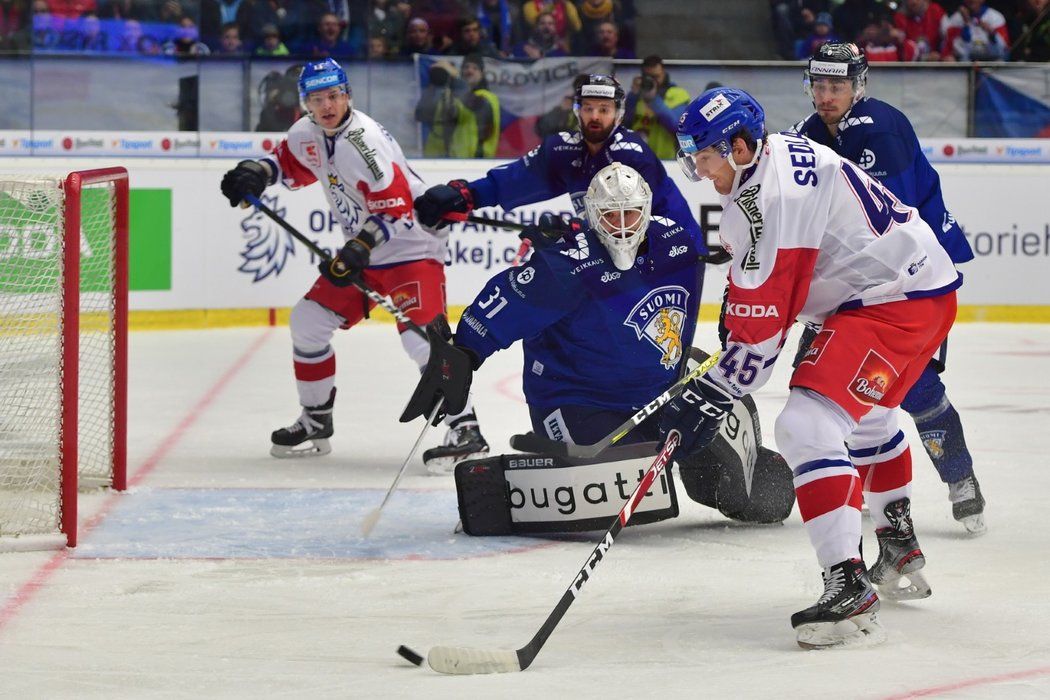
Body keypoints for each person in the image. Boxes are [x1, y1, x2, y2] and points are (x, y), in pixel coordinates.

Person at [672, 86, 962, 648]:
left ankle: (847, 583)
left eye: (703, 156)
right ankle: (898, 541)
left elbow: (757, 350)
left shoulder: (772, 203)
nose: (697, 169)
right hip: (909, 289)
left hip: (889, 301)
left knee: (806, 425)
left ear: (736, 147)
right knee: (866, 417)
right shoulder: (771, 158)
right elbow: (758, 297)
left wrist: (713, 387)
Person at [404, 163, 795, 526]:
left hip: (660, 393)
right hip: (577, 402)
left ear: (646, 211)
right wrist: (463, 352)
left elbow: (743, 267)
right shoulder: (566, 265)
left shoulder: (677, 244)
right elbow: (506, 300)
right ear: (592, 215)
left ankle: (717, 456)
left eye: (631, 214)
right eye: (611, 216)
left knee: (737, 486)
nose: (623, 227)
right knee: (629, 483)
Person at [220, 58, 489, 471]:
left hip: (409, 247)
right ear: (305, 102)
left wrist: (359, 248)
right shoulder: (307, 132)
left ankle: (465, 429)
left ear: (347, 95)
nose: (327, 105)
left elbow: (398, 213)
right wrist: (255, 172)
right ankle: (316, 420)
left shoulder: (364, 143)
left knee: (422, 340)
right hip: (363, 250)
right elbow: (285, 162)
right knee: (307, 322)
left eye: (334, 96)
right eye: (317, 98)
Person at [789, 42, 984, 534]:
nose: (827, 94)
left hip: (916, 276)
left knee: (915, 387)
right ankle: (847, 485)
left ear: (859, 86)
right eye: (820, 84)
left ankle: (961, 478)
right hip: (859, 282)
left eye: (838, 85)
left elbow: (886, 228)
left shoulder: (882, 129)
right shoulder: (810, 133)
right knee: (823, 387)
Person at [413, 73, 707, 261]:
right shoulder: (564, 150)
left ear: (618, 115)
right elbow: (517, 180)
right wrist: (467, 195)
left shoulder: (629, 156)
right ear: (577, 111)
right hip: (620, 255)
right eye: (588, 108)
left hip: (670, 252)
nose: (595, 116)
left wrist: (578, 232)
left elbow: (633, 228)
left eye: (603, 110)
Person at [414, 54, 499, 158]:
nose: (469, 71)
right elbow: (421, 115)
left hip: (475, 161)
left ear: (482, 74)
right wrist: (436, 82)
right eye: (466, 67)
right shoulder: (450, 96)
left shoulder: (487, 98)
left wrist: (456, 77)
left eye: (475, 68)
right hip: (441, 161)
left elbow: (476, 106)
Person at [623, 55, 691, 160]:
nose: (653, 81)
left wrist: (653, 99)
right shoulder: (636, 95)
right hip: (636, 157)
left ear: (664, 73)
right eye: (648, 77)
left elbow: (677, 126)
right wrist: (633, 96)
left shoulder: (678, 94)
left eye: (656, 77)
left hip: (666, 159)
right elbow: (625, 125)